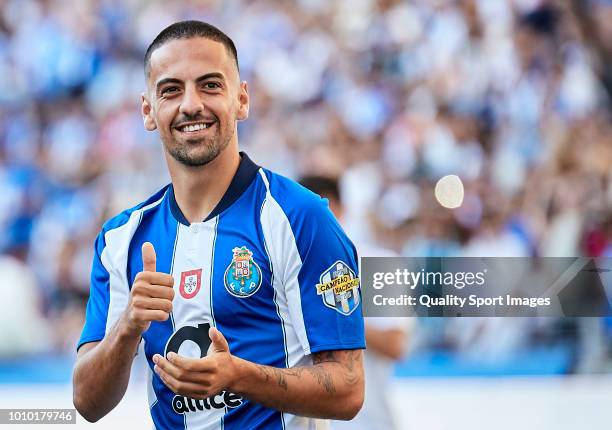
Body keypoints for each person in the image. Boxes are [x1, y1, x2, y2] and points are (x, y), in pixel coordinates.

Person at [72, 21, 365, 429]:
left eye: (210, 85)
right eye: (171, 90)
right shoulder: (121, 240)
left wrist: (238, 376)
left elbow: (349, 389)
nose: (191, 105)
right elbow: (87, 402)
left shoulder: (301, 218)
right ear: (148, 110)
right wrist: (128, 327)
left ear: (241, 100)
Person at [300, 176, 412, 430]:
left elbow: (395, 344)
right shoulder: (285, 272)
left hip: (369, 421)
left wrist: (338, 316)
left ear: (339, 208)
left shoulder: (378, 264)